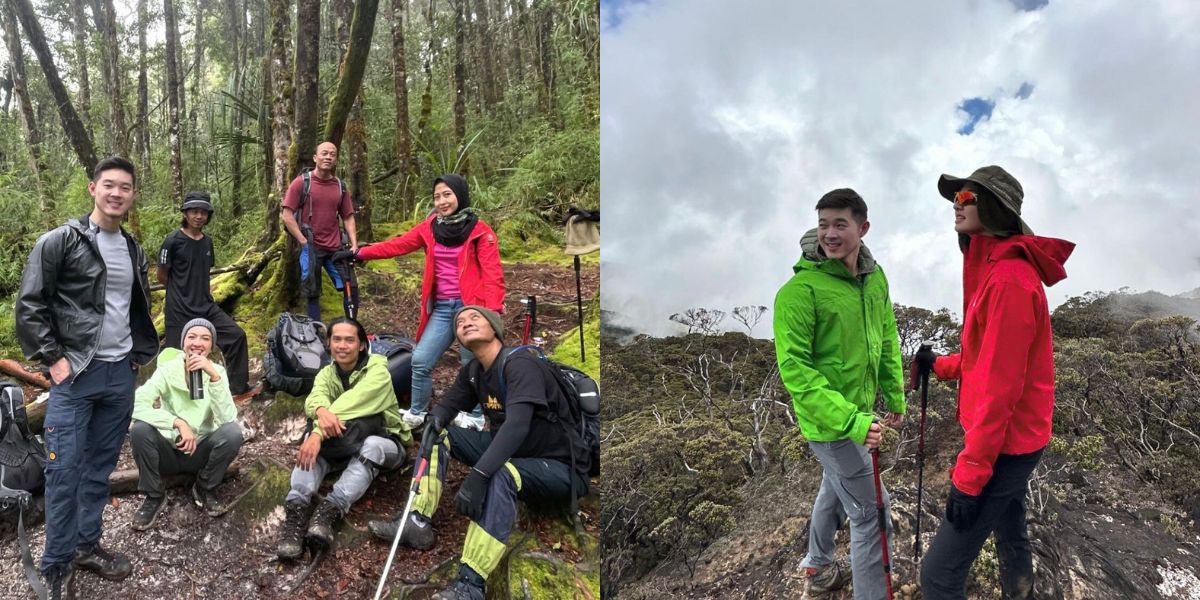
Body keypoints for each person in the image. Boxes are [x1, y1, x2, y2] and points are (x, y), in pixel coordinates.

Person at [918, 166, 1074, 600]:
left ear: (994, 208)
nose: (957, 202)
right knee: (1011, 530)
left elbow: (999, 391)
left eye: (967, 197)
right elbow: (985, 359)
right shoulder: (992, 268)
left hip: (1007, 444)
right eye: (957, 196)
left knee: (938, 575)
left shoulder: (1007, 280)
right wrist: (940, 365)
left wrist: (968, 477)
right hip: (1020, 438)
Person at [366, 306, 590, 600]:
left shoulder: (520, 364)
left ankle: (470, 583)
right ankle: (417, 521)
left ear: (494, 328)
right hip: (513, 452)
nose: (465, 323)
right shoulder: (474, 372)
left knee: (501, 475)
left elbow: (517, 427)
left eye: (474, 318)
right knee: (439, 435)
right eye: (459, 322)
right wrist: (435, 420)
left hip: (561, 467)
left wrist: (479, 476)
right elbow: (449, 405)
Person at [15, 157, 158, 598]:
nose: (117, 193)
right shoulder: (61, 241)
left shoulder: (133, 248)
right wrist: (53, 360)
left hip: (120, 376)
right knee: (63, 471)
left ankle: (85, 545)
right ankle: (56, 563)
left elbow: (131, 307)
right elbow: (30, 305)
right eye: (109, 185)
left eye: (126, 187)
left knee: (98, 468)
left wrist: (137, 357)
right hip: (75, 377)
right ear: (93, 188)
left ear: (134, 195)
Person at [772, 189, 906, 599]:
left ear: (862, 228)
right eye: (823, 224)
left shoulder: (873, 278)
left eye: (839, 224)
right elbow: (796, 371)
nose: (829, 234)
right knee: (870, 515)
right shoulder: (799, 292)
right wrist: (852, 420)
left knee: (835, 484)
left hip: (857, 415)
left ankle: (818, 565)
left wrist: (894, 393)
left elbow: (885, 336)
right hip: (830, 425)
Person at [349, 174, 505, 431]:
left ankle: (475, 416)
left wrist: (492, 313)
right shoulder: (430, 228)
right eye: (437, 196)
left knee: (474, 363)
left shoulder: (480, 231)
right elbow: (397, 245)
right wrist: (360, 253)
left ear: (459, 195)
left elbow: (493, 275)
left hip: (472, 309)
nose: (442, 201)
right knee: (420, 359)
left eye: (447, 195)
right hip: (443, 308)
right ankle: (417, 412)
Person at [276, 317, 413, 559]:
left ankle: (330, 510)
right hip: (344, 441)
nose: (342, 345)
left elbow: (354, 401)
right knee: (311, 443)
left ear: (361, 345)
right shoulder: (327, 374)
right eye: (336, 339)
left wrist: (318, 432)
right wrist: (319, 414)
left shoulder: (378, 371)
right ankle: (296, 512)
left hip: (385, 442)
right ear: (328, 343)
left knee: (368, 446)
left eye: (350, 340)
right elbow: (314, 398)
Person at [129, 318, 244, 530]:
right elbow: (134, 404)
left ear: (211, 346)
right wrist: (177, 423)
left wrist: (214, 376)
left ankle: (205, 486)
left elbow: (228, 419)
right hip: (169, 452)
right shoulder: (166, 371)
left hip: (201, 453)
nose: (198, 343)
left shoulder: (217, 371)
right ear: (183, 343)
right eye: (192, 337)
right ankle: (154, 496)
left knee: (233, 433)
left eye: (205, 338)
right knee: (139, 430)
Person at [157, 190, 256, 397]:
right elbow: (161, 275)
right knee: (176, 358)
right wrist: (180, 291)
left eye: (203, 212)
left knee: (236, 336)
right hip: (179, 311)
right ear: (185, 213)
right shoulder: (172, 241)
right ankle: (174, 400)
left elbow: (203, 270)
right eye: (194, 211)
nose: (199, 216)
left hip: (206, 307)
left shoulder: (207, 242)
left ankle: (238, 389)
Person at [280, 141, 359, 322]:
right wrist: (302, 240)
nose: (328, 157)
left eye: (332, 154)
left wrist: (354, 243)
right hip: (311, 246)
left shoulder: (340, 186)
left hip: (336, 247)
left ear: (336, 160)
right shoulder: (301, 183)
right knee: (312, 291)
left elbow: (347, 216)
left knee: (350, 286)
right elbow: (287, 214)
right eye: (324, 153)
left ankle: (352, 328)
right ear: (316, 158)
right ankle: (316, 330)